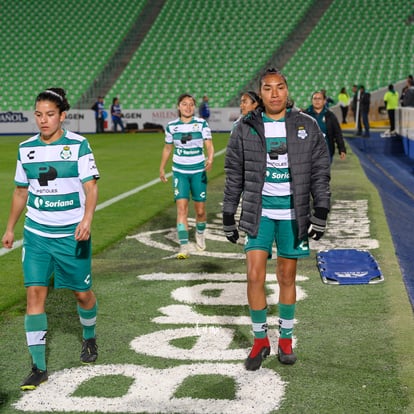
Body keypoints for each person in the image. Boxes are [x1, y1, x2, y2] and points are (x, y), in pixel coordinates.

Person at [222, 68, 331, 370]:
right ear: (261, 94)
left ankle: (285, 339)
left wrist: (320, 211)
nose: (274, 94)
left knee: (286, 276)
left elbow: (320, 171)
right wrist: (229, 213)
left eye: (279, 87)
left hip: (293, 213)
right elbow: (234, 175)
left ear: (287, 90)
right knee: (254, 276)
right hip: (260, 212)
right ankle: (260, 341)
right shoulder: (244, 127)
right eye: (268, 89)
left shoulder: (306, 125)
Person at [2, 88, 100, 390]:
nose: (43, 120)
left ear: (62, 116)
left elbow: (91, 188)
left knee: (82, 295)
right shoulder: (25, 149)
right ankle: (39, 367)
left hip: (72, 235)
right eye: (39, 114)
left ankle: (89, 337)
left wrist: (86, 220)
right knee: (34, 295)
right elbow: (21, 191)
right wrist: (9, 228)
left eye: (50, 115)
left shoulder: (79, 145)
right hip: (37, 235)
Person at [160, 93, 214, 259]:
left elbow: (209, 144)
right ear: (178, 106)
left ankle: (199, 233)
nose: (188, 107)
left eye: (191, 104)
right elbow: (168, 148)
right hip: (180, 172)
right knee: (181, 209)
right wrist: (162, 168)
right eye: (184, 104)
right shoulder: (171, 126)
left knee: (200, 211)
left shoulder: (201, 124)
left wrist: (210, 158)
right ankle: (183, 245)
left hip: (198, 171)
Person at [305, 90, 346, 162]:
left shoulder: (330, 115)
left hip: (326, 152)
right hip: (308, 153)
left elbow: (337, 133)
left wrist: (341, 149)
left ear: (324, 101)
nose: (317, 101)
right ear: (312, 101)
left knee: (324, 173)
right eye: (315, 98)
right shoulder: (304, 115)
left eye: (319, 99)